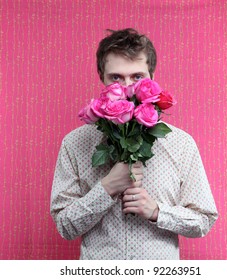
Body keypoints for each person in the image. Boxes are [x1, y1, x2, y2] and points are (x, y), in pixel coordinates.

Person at [50, 28, 218, 260]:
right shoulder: (75, 143)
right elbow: (64, 226)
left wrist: (157, 211)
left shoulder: (180, 144)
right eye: (116, 78)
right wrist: (107, 188)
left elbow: (204, 219)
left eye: (137, 77)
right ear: (102, 76)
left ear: (151, 77)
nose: (127, 89)